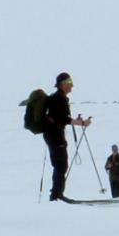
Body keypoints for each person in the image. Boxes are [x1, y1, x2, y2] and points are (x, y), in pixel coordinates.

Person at [43, 72, 91, 201]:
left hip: (51, 134)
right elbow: (64, 119)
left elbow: (60, 118)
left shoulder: (55, 97)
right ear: (63, 84)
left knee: (59, 164)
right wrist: (81, 123)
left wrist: (76, 121)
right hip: (55, 135)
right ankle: (56, 196)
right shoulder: (60, 98)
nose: (72, 86)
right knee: (61, 165)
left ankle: (56, 195)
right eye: (70, 83)